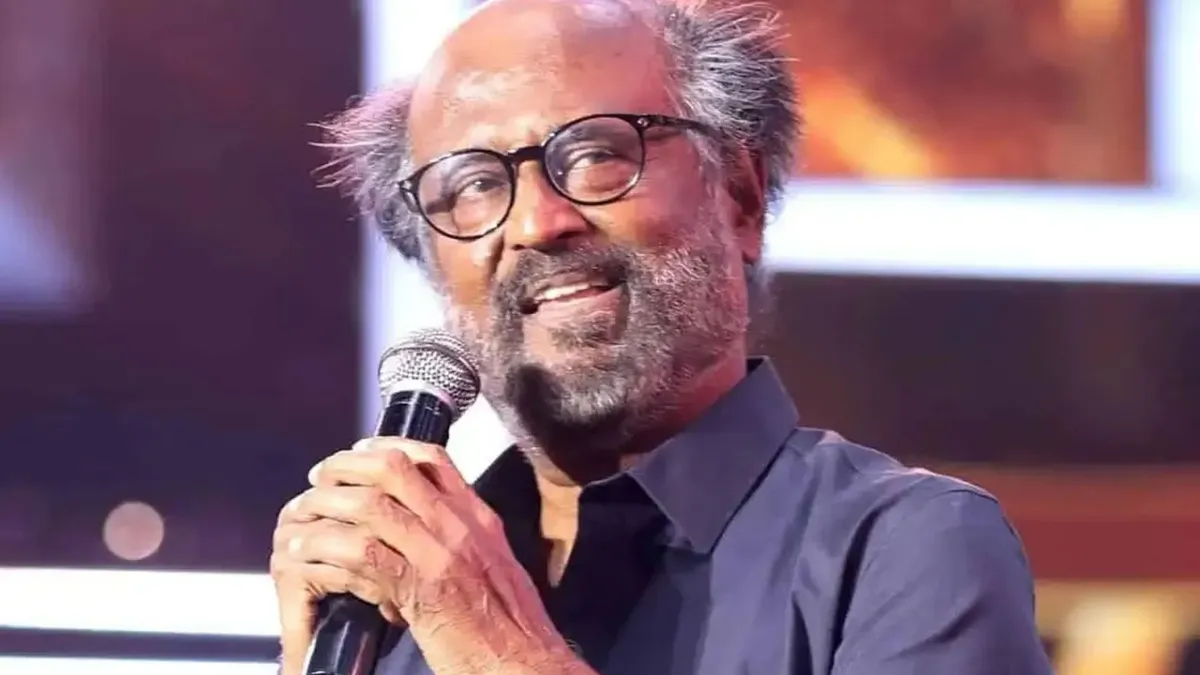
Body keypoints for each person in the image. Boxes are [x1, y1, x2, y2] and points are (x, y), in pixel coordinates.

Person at [270, 0, 1055, 673]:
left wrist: (492, 645)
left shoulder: (906, 550)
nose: (538, 222)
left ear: (739, 196)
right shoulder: (395, 595)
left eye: (596, 154)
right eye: (474, 184)